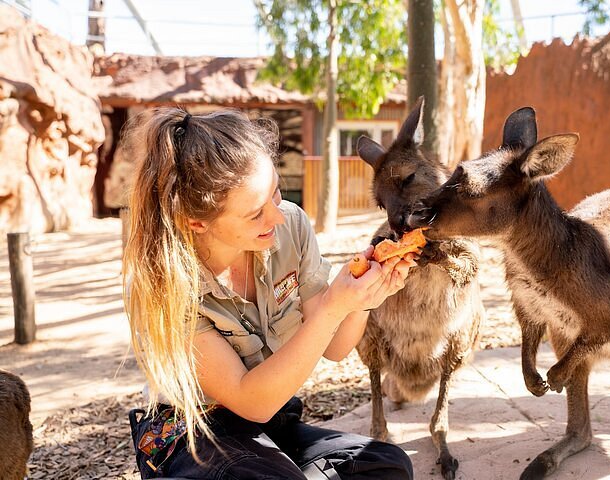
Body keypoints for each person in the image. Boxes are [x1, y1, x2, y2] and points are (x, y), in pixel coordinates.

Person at [121, 107, 416, 479]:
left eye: (275, 193)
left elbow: (337, 347)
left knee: (386, 466)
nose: (277, 216)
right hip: (193, 434)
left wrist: (362, 299)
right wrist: (331, 309)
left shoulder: (288, 224)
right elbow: (250, 400)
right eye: (254, 213)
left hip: (268, 425)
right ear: (196, 222)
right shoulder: (164, 282)